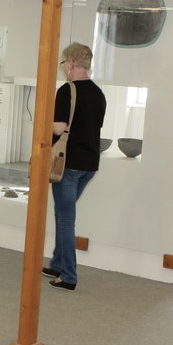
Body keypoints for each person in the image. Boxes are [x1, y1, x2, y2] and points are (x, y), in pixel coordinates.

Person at [43, 42, 106, 292]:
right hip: (89, 165)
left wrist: (44, 124)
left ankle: (68, 275)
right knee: (63, 213)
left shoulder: (66, 90)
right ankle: (58, 263)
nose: (63, 68)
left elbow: (59, 128)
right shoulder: (98, 93)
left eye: (63, 63)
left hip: (67, 164)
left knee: (66, 219)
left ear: (71, 63)